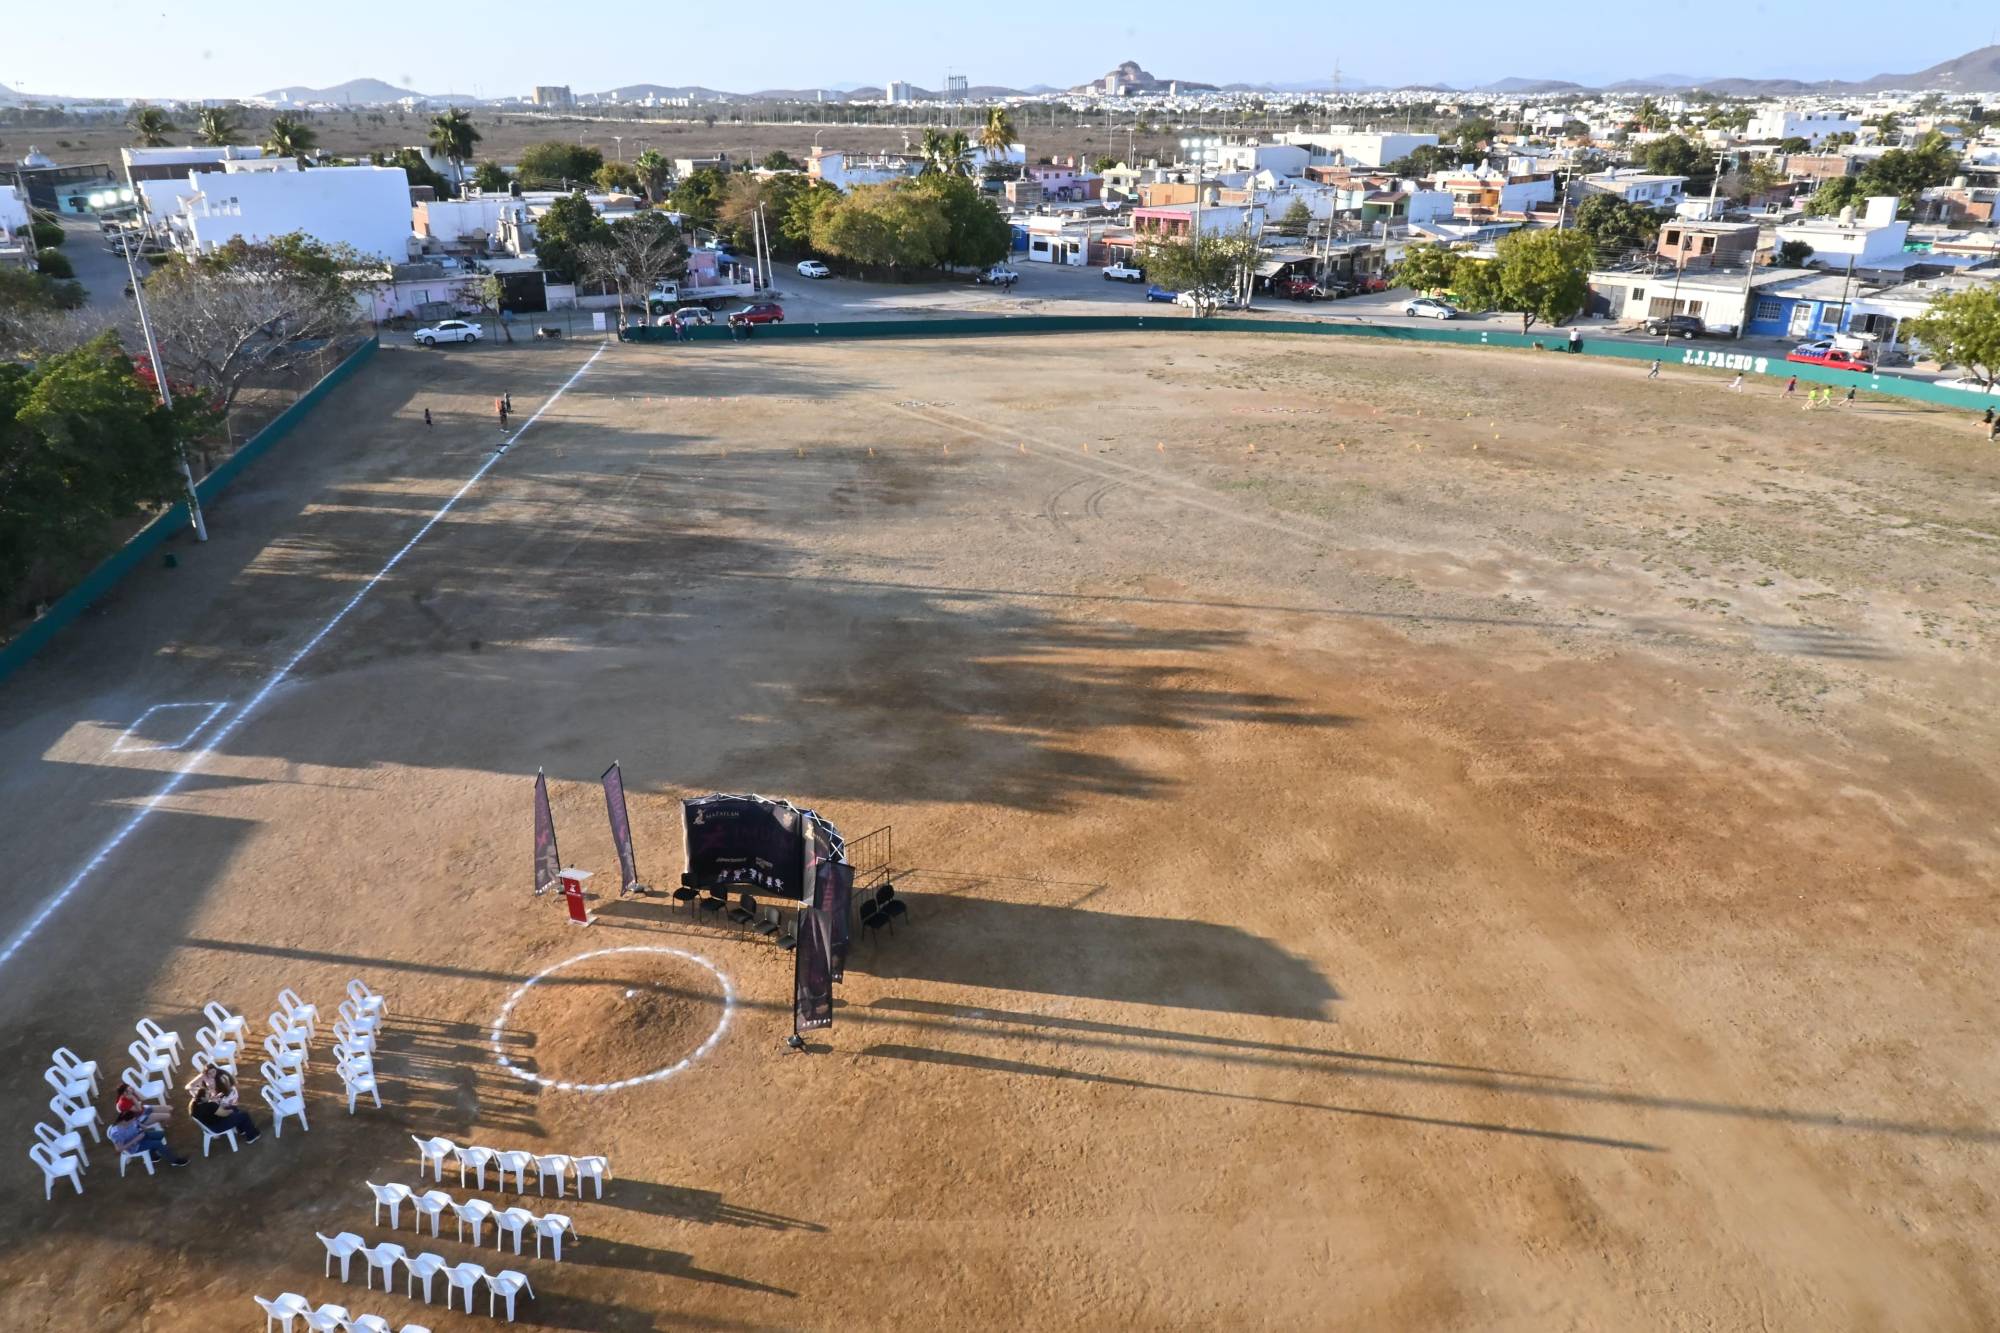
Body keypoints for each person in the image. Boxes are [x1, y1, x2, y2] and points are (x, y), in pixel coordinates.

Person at [185, 1067, 261, 1145]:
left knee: (233, 1108)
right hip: (218, 1126)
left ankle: (242, 1129)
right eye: (208, 1094)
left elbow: (213, 1110)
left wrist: (214, 1101)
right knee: (244, 1114)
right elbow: (225, 1113)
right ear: (203, 1098)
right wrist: (229, 1110)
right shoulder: (210, 1105)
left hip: (210, 1124)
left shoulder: (193, 1104)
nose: (210, 1095)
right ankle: (252, 1136)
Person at [109, 1106, 187, 1168]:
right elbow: (119, 1149)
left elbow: (137, 1123)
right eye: (132, 1120)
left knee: (161, 1134)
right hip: (134, 1146)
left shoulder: (129, 1120)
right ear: (124, 1121)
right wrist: (136, 1139)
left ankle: (152, 1155)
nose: (134, 1121)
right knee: (158, 1144)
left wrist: (142, 1126)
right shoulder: (117, 1133)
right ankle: (174, 1161)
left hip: (140, 1136)